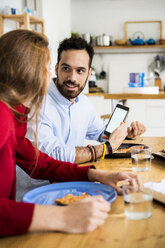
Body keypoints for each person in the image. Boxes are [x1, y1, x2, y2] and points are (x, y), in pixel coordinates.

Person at [0, 29, 141, 236]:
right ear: (24, 71)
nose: (48, 76)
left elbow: (39, 163)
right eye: (46, 68)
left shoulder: (14, 113)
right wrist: (63, 217)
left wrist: (95, 175)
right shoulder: (4, 116)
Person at [16, 36, 146, 200]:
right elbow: (54, 156)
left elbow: (100, 132)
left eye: (80, 71)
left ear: (89, 73)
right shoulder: (37, 102)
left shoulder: (84, 103)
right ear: (56, 68)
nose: (72, 78)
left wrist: (126, 132)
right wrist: (107, 148)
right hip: (35, 195)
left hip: (72, 188)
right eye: (66, 68)